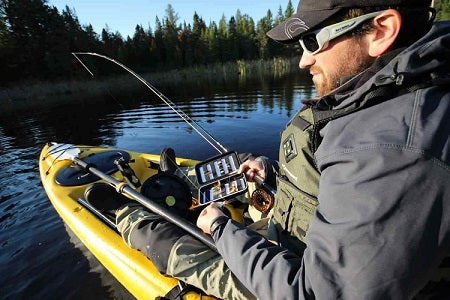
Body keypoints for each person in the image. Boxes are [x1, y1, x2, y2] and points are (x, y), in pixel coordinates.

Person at [114, 0, 450, 299]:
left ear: (381, 30)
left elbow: (313, 292)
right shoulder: (380, 96)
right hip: (301, 244)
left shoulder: (394, 149)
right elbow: (344, 185)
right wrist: (273, 172)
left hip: (294, 277)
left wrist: (219, 226)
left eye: (311, 41)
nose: (304, 60)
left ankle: (126, 215)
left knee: (154, 235)